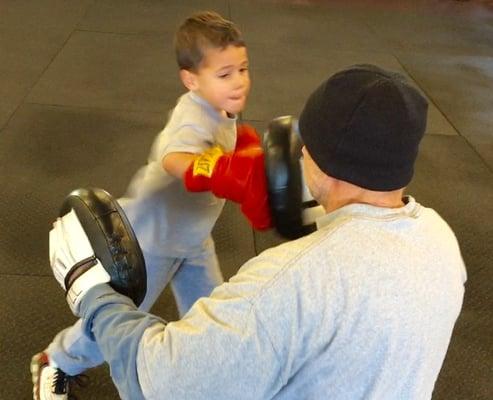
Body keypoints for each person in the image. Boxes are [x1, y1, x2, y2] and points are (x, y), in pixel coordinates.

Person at [46, 64, 466, 400]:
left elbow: (160, 384)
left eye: (308, 144)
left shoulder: (291, 281)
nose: (299, 151)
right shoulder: (440, 241)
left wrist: (95, 297)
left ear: (324, 157)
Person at [31, 10, 272, 400]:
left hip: (193, 241)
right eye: (225, 74)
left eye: (243, 69)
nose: (240, 81)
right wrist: (217, 169)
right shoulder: (191, 114)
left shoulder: (222, 107)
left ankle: (206, 382)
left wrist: (242, 152)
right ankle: (57, 360)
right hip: (149, 244)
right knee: (116, 322)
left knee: (211, 316)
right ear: (191, 79)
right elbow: (173, 159)